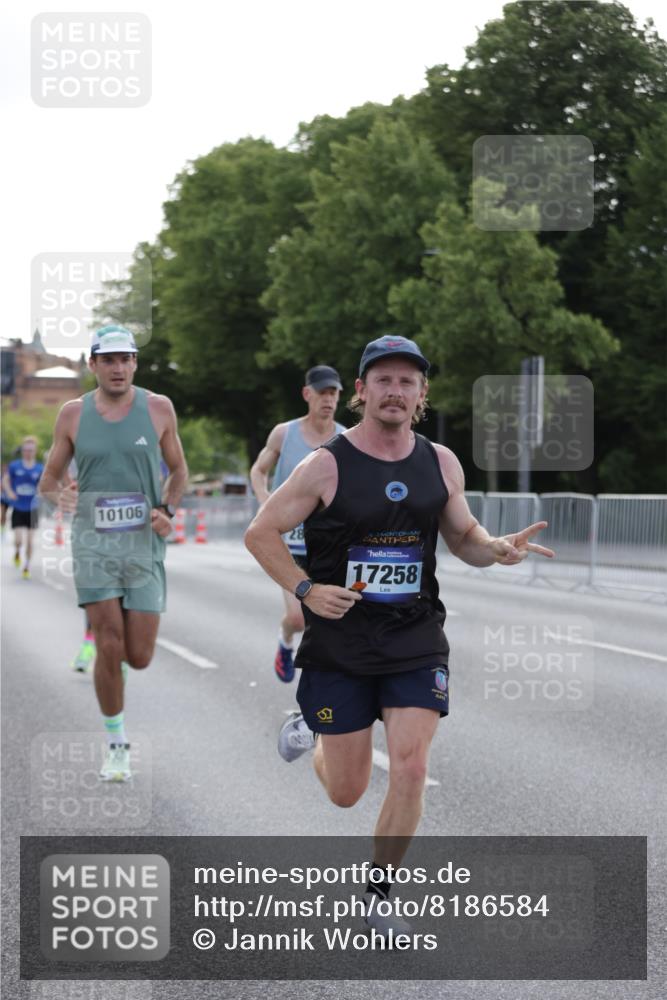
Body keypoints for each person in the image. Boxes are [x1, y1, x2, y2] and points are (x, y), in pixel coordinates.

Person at [245, 334, 555, 936]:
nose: (395, 390)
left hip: (415, 635)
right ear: (361, 392)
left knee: (411, 768)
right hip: (341, 642)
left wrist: (494, 548)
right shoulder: (325, 464)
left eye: (407, 381)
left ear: (421, 394)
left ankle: (379, 895)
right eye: (383, 380)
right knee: (345, 792)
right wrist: (307, 591)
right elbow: (261, 533)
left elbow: (462, 536)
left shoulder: (439, 461)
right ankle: (312, 730)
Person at [40, 324, 188, 781]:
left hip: (143, 543)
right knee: (108, 641)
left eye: (126, 358)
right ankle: (116, 742)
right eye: (108, 359)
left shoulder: (159, 408)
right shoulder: (71, 414)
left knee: (138, 655)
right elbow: (49, 480)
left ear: (135, 364)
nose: (118, 367)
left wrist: (167, 509)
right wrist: (59, 496)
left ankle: (114, 669)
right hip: (94, 543)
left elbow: (179, 470)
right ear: (93, 364)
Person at [249, 365, 345, 682]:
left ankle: (319, 692)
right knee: (297, 616)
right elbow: (258, 470)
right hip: (288, 543)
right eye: (322, 393)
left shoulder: (346, 439)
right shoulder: (284, 433)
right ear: (307, 395)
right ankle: (285, 639)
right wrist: (265, 499)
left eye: (333, 393)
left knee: (329, 622)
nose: (328, 399)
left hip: (328, 544)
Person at [2, 437, 44, 579]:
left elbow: (43, 484)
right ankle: (17, 552)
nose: (28, 453)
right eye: (26, 450)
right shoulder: (15, 466)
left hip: (32, 508)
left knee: (30, 541)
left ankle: (26, 566)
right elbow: (6, 480)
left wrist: (41, 492)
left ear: (35, 451)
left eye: (31, 450)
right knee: (18, 540)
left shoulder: (39, 468)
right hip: (18, 507)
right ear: (22, 451)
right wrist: (9, 492)